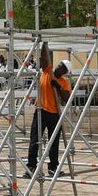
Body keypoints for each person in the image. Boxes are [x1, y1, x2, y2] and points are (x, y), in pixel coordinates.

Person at [25, 46, 72, 178]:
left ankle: (52, 168)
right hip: (41, 110)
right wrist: (43, 45)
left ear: (64, 72)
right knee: (35, 139)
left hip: (54, 114)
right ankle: (31, 166)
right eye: (59, 65)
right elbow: (44, 59)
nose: (59, 67)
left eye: (62, 67)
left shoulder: (64, 82)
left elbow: (67, 98)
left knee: (54, 142)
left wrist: (58, 87)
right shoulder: (47, 72)